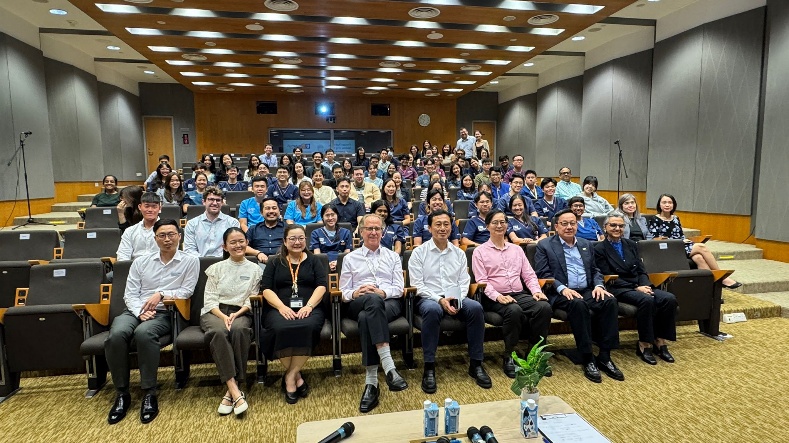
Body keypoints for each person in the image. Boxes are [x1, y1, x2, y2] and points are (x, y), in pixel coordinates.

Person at [105, 219, 199, 425]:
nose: (167, 239)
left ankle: (149, 392)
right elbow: (129, 294)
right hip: (134, 310)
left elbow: (187, 291)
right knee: (116, 335)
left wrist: (161, 294)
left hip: (167, 312)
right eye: (162, 235)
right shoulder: (141, 262)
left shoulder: (190, 261)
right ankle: (122, 393)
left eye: (172, 234)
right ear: (155, 238)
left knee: (143, 333)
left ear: (179, 237)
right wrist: (140, 312)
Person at [535, 208, 622, 383]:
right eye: (564, 223)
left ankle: (605, 356)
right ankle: (588, 356)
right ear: (556, 226)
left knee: (610, 301)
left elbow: (595, 270)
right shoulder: (545, 245)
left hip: (586, 290)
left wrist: (598, 285)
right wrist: (562, 289)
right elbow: (542, 273)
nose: (569, 227)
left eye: (572, 223)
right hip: (560, 293)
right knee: (578, 304)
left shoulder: (586, 244)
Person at [409, 209, 491, 393]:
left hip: (456, 297)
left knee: (476, 308)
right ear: (429, 228)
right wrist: (440, 300)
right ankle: (429, 367)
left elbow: (464, 282)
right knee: (432, 310)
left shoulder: (459, 253)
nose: (442, 228)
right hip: (429, 298)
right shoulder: (419, 253)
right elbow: (417, 285)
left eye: (446, 224)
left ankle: (476, 364)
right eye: (438, 224)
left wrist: (457, 299)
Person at [339, 214, 408, 413]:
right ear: (361, 232)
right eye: (369, 228)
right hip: (358, 303)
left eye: (377, 229)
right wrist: (356, 292)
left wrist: (383, 292)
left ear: (383, 232)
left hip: (389, 303)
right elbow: (343, 293)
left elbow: (399, 287)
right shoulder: (350, 258)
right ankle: (389, 367)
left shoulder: (393, 256)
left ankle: (371, 383)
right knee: (370, 302)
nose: (373, 232)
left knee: (367, 315)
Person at [471, 210, 552, 378]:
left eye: (503, 222)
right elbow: (481, 281)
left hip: (518, 293)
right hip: (492, 296)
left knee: (543, 307)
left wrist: (536, 291)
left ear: (507, 225)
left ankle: (534, 354)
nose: (499, 225)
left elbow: (528, 275)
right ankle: (510, 355)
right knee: (513, 310)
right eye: (495, 222)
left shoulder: (516, 250)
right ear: (487, 226)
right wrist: (498, 296)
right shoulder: (480, 251)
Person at [594, 213, 677, 365]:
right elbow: (606, 275)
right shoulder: (599, 248)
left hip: (638, 285)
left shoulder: (630, 244)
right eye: (613, 225)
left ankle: (660, 340)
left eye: (620, 226)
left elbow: (641, 269)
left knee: (668, 298)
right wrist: (636, 287)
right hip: (617, 287)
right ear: (605, 227)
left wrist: (645, 285)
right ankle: (644, 344)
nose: (617, 228)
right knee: (646, 300)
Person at [261, 224, 327, 404]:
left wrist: (310, 306)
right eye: (292, 239)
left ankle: (290, 376)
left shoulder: (315, 260)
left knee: (308, 326)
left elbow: (322, 285)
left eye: (300, 238)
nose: (297, 242)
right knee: (280, 327)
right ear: (284, 241)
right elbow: (265, 289)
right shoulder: (274, 261)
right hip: (278, 307)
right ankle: (297, 376)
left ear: (305, 240)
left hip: (310, 307)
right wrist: (281, 307)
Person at [201, 227, 261, 415]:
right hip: (215, 312)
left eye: (241, 241)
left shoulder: (255, 270)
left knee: (240, 330)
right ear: (225, 246)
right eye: (232, 242)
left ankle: (231, 390)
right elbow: (209, 300)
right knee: (218, 332)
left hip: (241, 311)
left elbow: (251, 298)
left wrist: (236, 314)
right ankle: (235, 389)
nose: (238, 245)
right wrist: (224, 316)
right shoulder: (215, 269)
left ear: (247, 243)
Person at [648, 194, 741, 288]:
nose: (667, 205)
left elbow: (680, 235)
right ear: (659, 205)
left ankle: (709, 289)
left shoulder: (675, 218)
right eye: (664, 202)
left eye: (670, 202)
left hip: (681, 245)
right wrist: (675, 241)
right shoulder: (655, 219)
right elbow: (654, 239)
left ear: (673, 205)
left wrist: (684, 240)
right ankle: (722, 276)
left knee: (698, 258)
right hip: (669, 248)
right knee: (701, 247)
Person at [183, 186, 240, 257]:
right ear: (203, 202)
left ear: (222, 203)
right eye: (211, 199)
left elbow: (235, 248)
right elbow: (189, 250)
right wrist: (204, 261)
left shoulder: (233, 223)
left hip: (224, 265)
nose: (215, 203)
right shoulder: (192, 224)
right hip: (199, 264)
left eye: (218, 200)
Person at [116, 192, 162, 260]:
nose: (150, 210)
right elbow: (123, 255)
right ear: (140, 207)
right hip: (135, 268)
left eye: (154, 207)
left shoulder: (167, 230)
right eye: (146, 206)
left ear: (160, 208)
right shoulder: (130, 231)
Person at [310, 204, 353, 272]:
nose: (330, 218)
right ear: (322, 217)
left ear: (337, 215)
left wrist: (338, 263)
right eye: (327, 215)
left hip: (343, 264)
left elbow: (347, 252)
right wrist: (327, 264)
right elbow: (317, 254)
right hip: (322, 265)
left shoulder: (346, 232)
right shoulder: (315, 233)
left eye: (333, 214)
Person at [245, 197, 285, 268]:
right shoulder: (253, 229)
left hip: (283, 263)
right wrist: (258, 253)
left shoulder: (288, 228)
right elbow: (244, 247)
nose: (271, 211)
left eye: (274, 208)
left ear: (279, 211)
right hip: (259, 264)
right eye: (267, 208)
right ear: (261, 212)